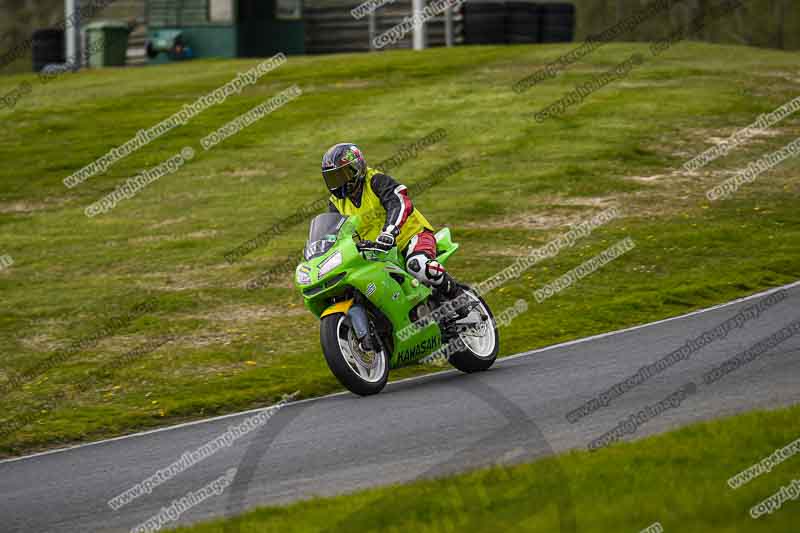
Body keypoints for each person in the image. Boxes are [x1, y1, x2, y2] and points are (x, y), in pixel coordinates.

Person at [321, 142, 464, 301]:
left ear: (357, 168)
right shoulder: (335, 202)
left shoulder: (376, 181)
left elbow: (400, 203)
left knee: (417, 265)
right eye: (333, 179)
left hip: (411, 237)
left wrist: (389, 232)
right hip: (377, 252)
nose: (338, 184)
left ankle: (459, 297)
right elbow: (334, 233)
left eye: (342, 176)